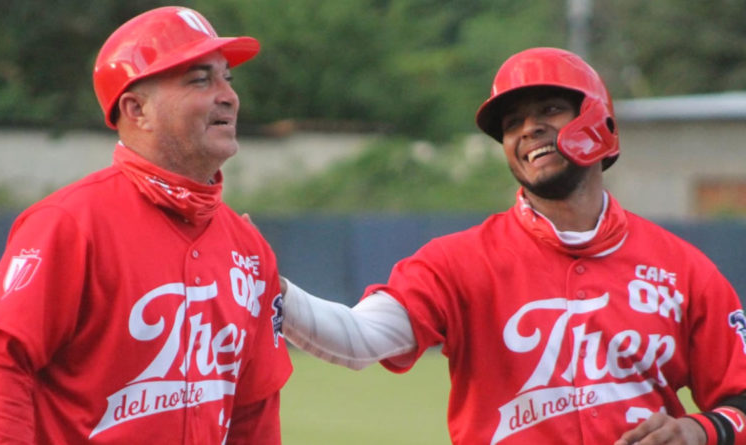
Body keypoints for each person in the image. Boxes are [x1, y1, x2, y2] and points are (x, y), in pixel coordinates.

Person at [280, 47, 746, 445]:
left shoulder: (683, 269)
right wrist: (269, 287)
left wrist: (700, 431)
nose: (528, 130)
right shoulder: (457, 261)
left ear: (598, 119)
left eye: (548, 110)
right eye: (512, 123)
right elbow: (358, 339)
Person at [0, 6, 291, 444]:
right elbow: (1, 367)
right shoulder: (68, 224)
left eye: (226, 78)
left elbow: (254, 410)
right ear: (137, 109)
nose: (228, 96)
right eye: (200, 79)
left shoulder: (249, 249)